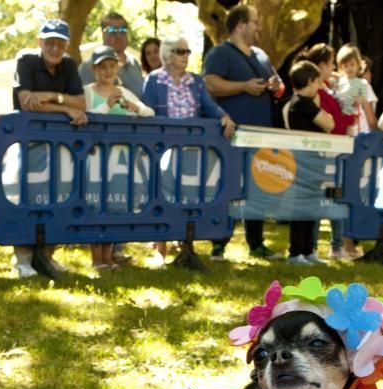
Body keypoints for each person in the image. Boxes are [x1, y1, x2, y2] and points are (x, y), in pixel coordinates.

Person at [142, 35, 235, 263]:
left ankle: (186, 245)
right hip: (162, 147)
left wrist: (224, 117)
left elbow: (208, 105)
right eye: (179, 51)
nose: (185, 56)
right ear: (168, 55)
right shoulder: (154, 80)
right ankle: (159, 250)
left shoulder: (195, 81)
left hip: (191, 149)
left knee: (188, 194)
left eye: (187, 52)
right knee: (160, 192)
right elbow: (146, 112)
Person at [203, 3, 283, 261]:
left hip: (262, 133)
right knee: (229, 186)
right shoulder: (220, 53)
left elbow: (279, 86)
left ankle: (256, 243)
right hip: (232, 133)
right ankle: (218, 243)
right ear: (240, 25)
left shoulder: (261, 55)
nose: (259, 27)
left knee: (257, 186)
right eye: (255, 22)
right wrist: (244, 86)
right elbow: (211, 85)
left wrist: (275, 86)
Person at [12, 19, 86, 278]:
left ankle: (46, 257)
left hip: (60, 144)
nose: (55, 47)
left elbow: (82, 103)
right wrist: (66, 108)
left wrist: (51, 97)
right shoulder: (26, 61)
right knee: (29, 194)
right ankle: (22, 259)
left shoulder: (69, 65)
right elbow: (27, 103)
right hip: (29, 141)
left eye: (60, 42)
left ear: (66, 44)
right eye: (50, 41)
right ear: (40, 41)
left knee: (58, 194)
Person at [82, 45, 153, 271]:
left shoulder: (123, 91)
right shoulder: (87, 91)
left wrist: (136, 107)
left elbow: (149, 112)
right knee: (95, 205)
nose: (108, 71)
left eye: (112, 66)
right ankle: (96, 259)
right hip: (94, 159)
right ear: (94, 70)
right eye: (102, 67)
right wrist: (107, 105)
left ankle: (109, 256)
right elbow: (86, 117)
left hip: (121, 160)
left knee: (115, 204)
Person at [303, 42, 356, 260]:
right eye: (332, 63)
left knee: (336, 198)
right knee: (318, 200)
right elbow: (331, 122)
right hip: (323, 153)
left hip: (337, 153)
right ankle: (313, 247)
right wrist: (349, 117)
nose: (334, 67)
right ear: (322, 65)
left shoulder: (329, 89)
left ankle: (336, 246)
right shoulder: (317, 93)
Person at [285, 60, 333, 264]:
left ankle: (307, 249)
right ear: (310, 81)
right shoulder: (302, 103)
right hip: (304, 162)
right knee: (302, 206)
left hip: (309, 162)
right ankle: (296, 252)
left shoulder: (296, 103)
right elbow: (329, 123)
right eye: (318, 83)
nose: (320, 87)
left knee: (311, 205)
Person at [78, 12, 143, 98]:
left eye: (123, 30)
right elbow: (80, 98)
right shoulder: (89, 66)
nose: (118, 35)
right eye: (112, 31)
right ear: (103, 34)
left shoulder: (134, 64)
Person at [333, 43, 373, 136]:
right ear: (341, 67)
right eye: (346, 66)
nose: (349, 68)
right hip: (344, 122)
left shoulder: (362, 82)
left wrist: (357, 99)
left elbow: (363, 98)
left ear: (358, 64)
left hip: (360, 125)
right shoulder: (338, 83)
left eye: (352, 64)